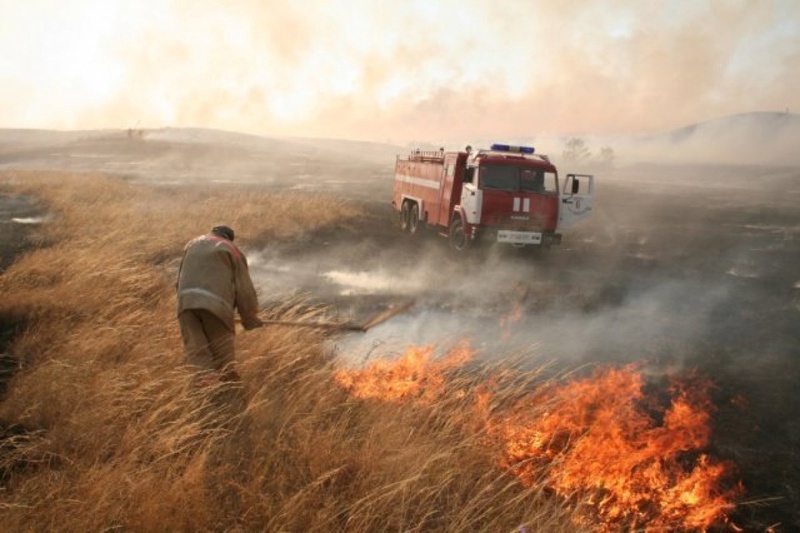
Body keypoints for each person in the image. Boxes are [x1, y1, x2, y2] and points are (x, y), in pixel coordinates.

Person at [176, 225, 263, 381]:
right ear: (229, 237)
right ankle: (226, 394)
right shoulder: (231, 249)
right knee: (223, 359)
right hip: (215, 306)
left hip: (186, 305)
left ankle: (204, 390)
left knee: (198, 355)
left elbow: (180, 279)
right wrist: (250, 319)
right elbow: (244, 290)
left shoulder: (192, 244)